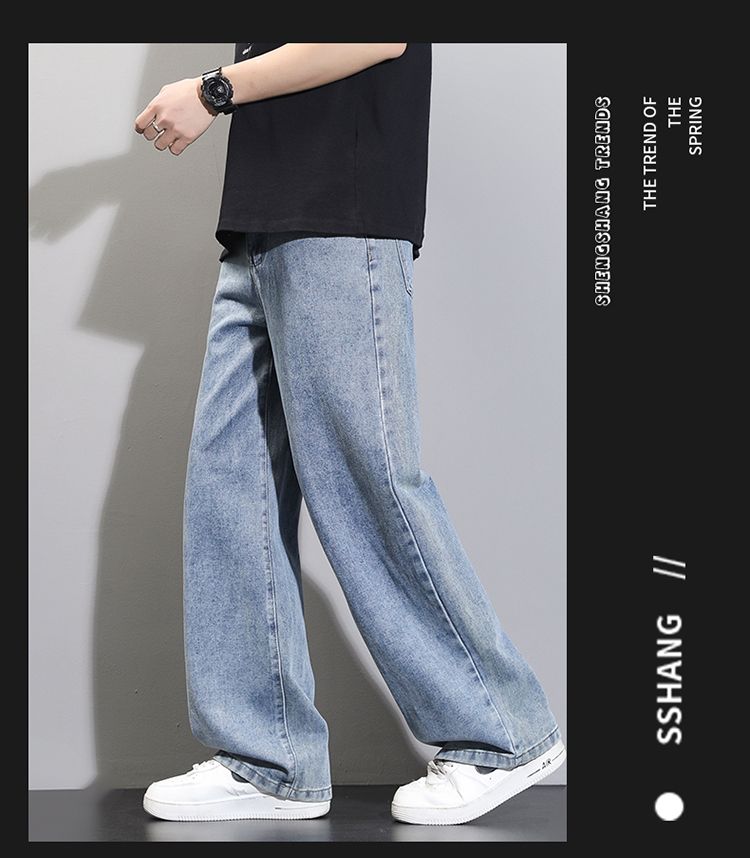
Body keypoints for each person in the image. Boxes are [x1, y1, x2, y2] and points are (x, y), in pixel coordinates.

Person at [135, 43, 564, 826]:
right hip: (262, 218)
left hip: (340, 206)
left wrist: (214, 90)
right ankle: (267, 758)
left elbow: (373, 32)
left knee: (365, 475)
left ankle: (503, 732)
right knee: (232, 486)